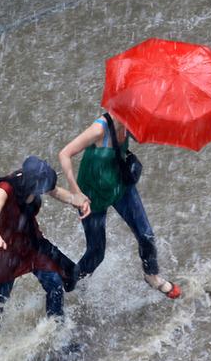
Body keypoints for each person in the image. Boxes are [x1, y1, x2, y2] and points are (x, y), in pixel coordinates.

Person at [0, 156, 91, 341]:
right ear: (32, 184)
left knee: (54, 283)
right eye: (42, 188)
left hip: (31, 244)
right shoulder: (6, 189)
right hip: (4, 249)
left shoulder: (36, 181)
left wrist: (75, 199)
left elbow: (56, 191)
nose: (45, 191)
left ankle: (57, 332)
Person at [58, 112, 181, 299]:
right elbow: (64, 154)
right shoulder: (99, 129)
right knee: (96, 253)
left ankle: (151, 275)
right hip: (92, 196)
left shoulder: (130, 123)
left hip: (120, 186)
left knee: (146, 234)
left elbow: (141, 137)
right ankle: (70, 285)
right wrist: (75, 192)